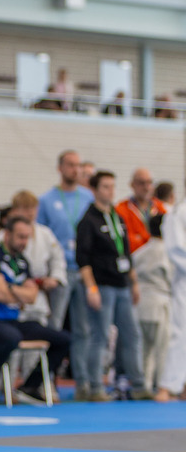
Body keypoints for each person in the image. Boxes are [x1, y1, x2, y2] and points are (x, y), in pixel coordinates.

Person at [0, 216, 70, 406]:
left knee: (63, 339)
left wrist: (10, 288)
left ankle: (29, 387)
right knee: (10, 336)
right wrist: (18, 291)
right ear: (7, 234)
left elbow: (32, 297)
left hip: (12, 320)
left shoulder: (22, 260)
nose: (24, 242)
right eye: (20, 237)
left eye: (27, 238)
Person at [77, 171, 151, 401]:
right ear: (95, 190)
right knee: (99, 336)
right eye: (106, 187)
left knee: (132, 334)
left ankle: (138, 384)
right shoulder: (88, 220)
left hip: (122, 284)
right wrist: (91, 288)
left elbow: (125, 252)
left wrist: (134, 283)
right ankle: (95, 386)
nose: (111, 191)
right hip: (102, 284)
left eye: (113, 186)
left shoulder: (117, 217)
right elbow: (83, 258)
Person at [37, 150, 94, 400]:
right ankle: (46, 381)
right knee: (54, 327)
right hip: (60, 271)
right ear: (60, 168)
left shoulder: (88, 197)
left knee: (83, 329)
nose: (75, 169)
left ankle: (82, 382)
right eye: (70, 165)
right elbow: (40, 237)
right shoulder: (47, 200)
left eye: (78, 165)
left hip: (84, 270)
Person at [3, 191, 67, 327]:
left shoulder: (45, 233)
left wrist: (55, 277)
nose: (30, 212)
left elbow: (57, 258)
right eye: (26, 208)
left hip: (38, 292)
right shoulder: (4, 236)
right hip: (14, 291)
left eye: (33, 208)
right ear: (15, 211)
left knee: (43, 331)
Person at [133, 214, 171, 393]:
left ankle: (144, 385)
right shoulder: (168, 252)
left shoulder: (140, 252)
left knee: (144, 349)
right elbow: (173, 279)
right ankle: (164, 387)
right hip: (160, 303)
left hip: (141, 304)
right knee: (162, 349)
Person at [156, 201, 186, 402]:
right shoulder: (178, 212)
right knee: (180, 331)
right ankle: (167, 386)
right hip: (184, 280)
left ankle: (182, 385)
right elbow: (176, 249)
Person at [115, 167, 165, 255]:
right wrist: (151, 240)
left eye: (149, 182)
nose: (146, 187)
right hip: (135, 258)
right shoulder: (121, 209)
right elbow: (126, 241)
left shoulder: (160, 208)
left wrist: (141, 238)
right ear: (132, 184)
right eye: (141, 183)